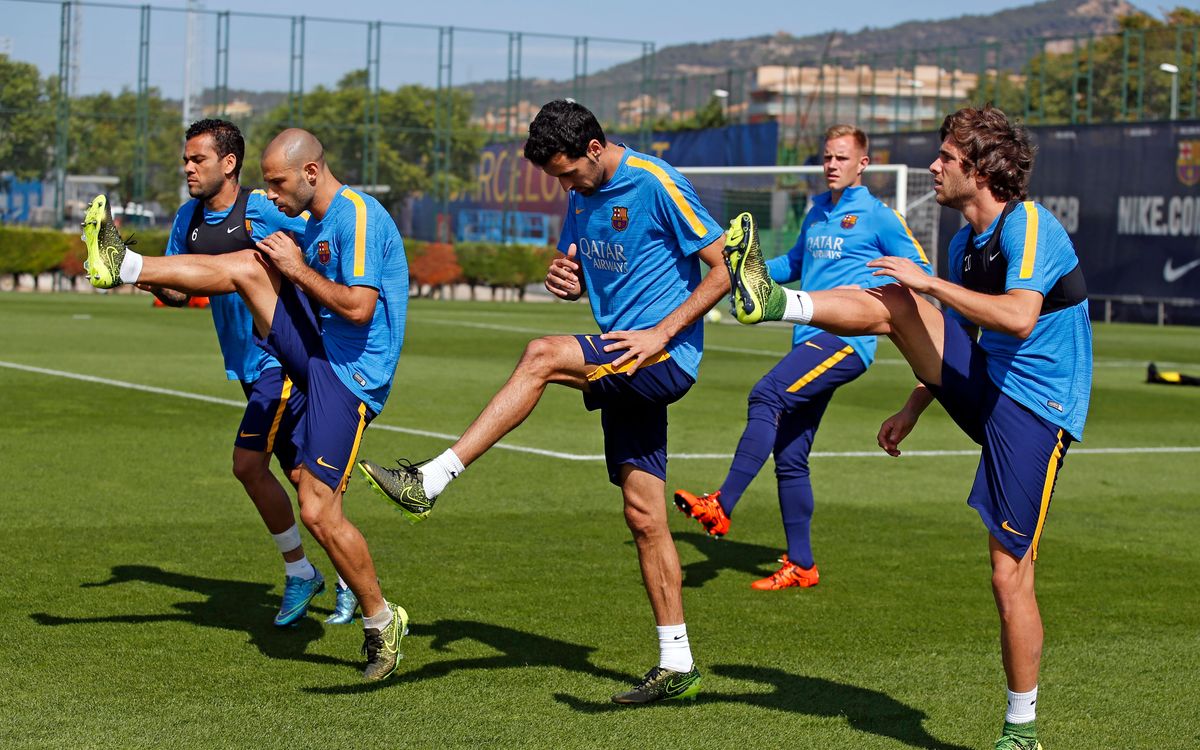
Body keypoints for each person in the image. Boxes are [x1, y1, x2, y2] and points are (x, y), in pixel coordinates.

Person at [724, 105, 1090, 750]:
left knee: (1009, 574)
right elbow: (962, 339)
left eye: (945, 156)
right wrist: (915, 405)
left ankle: (1021, 731)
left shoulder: (1029, 224)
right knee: (897, 299)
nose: (933, 166)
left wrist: (930, 286)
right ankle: (780, 301)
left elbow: (1019, 319)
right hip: (986, 386)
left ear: (980, 168)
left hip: (1038, 410)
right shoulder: (963, 245)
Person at [357, 99, 730, 704]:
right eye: (556, 178)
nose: (565, 187)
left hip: (662, 357)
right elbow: (577, 268)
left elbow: (726, 268)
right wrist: (568, 281)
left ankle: (432, 478)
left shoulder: (657, 182)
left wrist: (662, 333)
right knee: (644, 516)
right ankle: (677, 661)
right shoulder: (580, 192)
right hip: (620, 356)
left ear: (594, 148)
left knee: (541, 355)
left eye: (568, 173)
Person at [81, 128, 410, 682]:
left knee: (314, 507)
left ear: (310, 173)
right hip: (312, 352)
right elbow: (201, 288)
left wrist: (294, 266)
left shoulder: (351, 215)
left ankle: (379, 616)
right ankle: (126, 264)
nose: (270, 195)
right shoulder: (295, 217)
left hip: (348, 376)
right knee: (248, 268)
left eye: (277, 183)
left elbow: (358, 308)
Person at [674, 124, 931, 590]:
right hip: (808, 340)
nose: (831, 165)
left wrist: (871, 295)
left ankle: (722, 504)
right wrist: (740, 266)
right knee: (791, 456)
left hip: (847, 342)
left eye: (841, 158)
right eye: (827, 157)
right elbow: (793, 265)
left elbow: (921, 271)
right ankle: (802, 565)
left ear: (863, 164)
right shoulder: (816, 212)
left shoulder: (880, 217)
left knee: (767, 394)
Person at [139, 118, 357, 627]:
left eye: (198, 159)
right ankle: (347, 578)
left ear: (229, 162)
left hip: (278, 358)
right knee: (302, 476)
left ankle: (300, 571)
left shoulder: (260, 208)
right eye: (186, 159)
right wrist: (144, 280)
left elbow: (319, 243)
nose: (188, 168)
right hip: (244, 364)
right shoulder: (188, 219)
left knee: (247, 465)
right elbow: (178, 292)